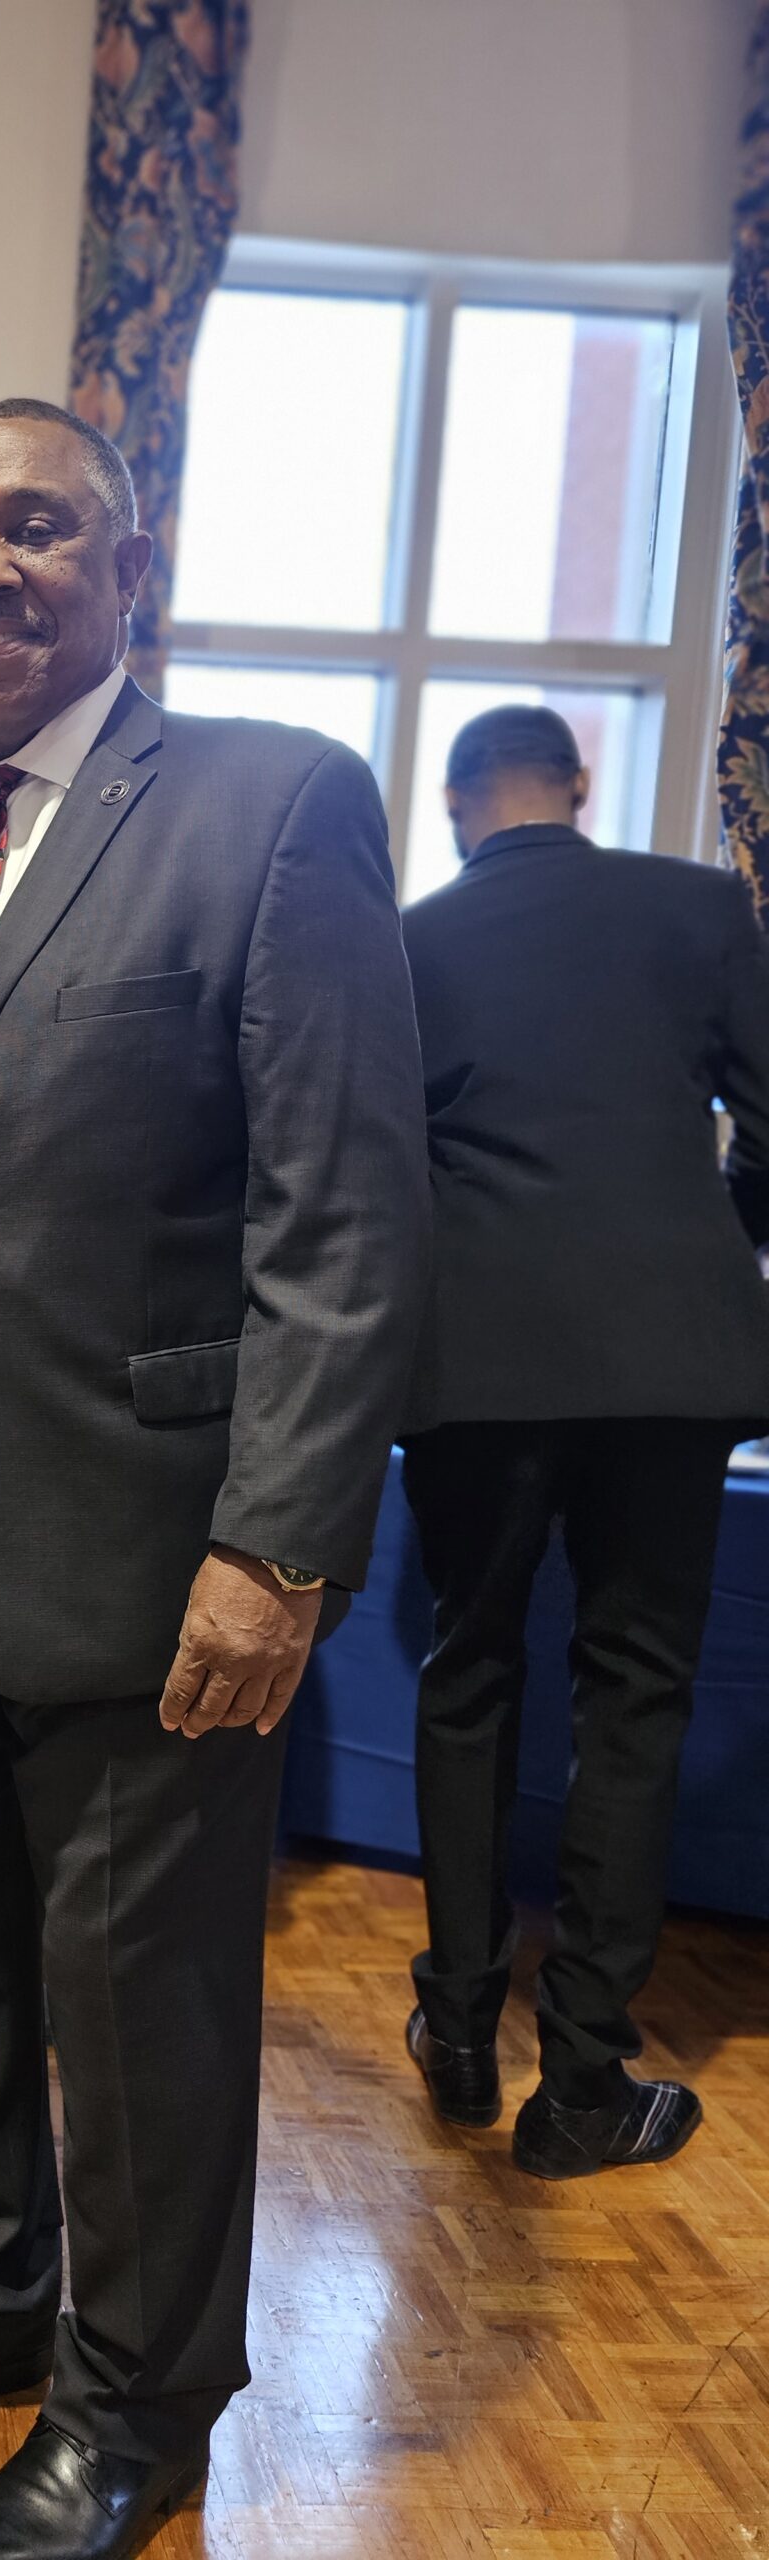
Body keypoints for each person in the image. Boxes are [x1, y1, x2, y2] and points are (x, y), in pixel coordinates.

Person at [0, 400, 429, 2560]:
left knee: (142, 2020)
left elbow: (343, 1213)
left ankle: (138, 2400)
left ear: (129, 564)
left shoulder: (272, 805)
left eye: (36, 525)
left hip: (159, 1567)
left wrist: (279, 1545)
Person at [399, 704, 769, 2180]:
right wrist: (701, 1237)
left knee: (468, 1675)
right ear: (581, 785)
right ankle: (587, 2085)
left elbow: (373, 1161)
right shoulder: (704, 908)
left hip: (477, 1357)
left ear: (455, 805)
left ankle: (457, 2029)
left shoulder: (412, 941)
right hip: (672, 1361)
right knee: (635, 1698)